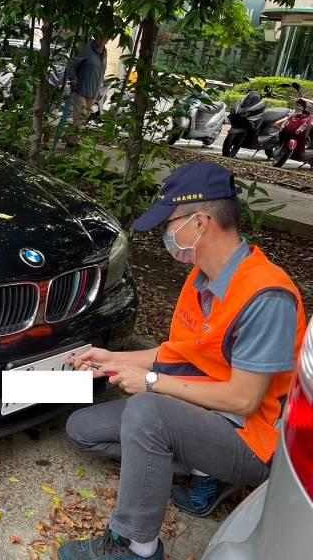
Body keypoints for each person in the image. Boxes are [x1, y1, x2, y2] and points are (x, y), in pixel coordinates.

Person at [58, 163, 307, 560]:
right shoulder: (201, 275)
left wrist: (151, 383)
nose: (166, 235)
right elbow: (179, 352)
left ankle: (135, 547)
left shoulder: (267, 297)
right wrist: (112, 358)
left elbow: (245, 400)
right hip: (200, 409)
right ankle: (205, 472)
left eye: (169, 223)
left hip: (252, 439)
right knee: (84, 429)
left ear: (201, 222)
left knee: (147, 414)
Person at [65, 35, 108, 136]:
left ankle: (70, 140)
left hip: (93, 93)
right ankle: (72, 144)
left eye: (106, 37)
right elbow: (71, 65)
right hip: (80, 90)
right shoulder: (86, 48)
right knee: (80, 119)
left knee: (82, 120)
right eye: (100, 36)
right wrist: (73, 79)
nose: (103, 39)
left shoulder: (104, 52)